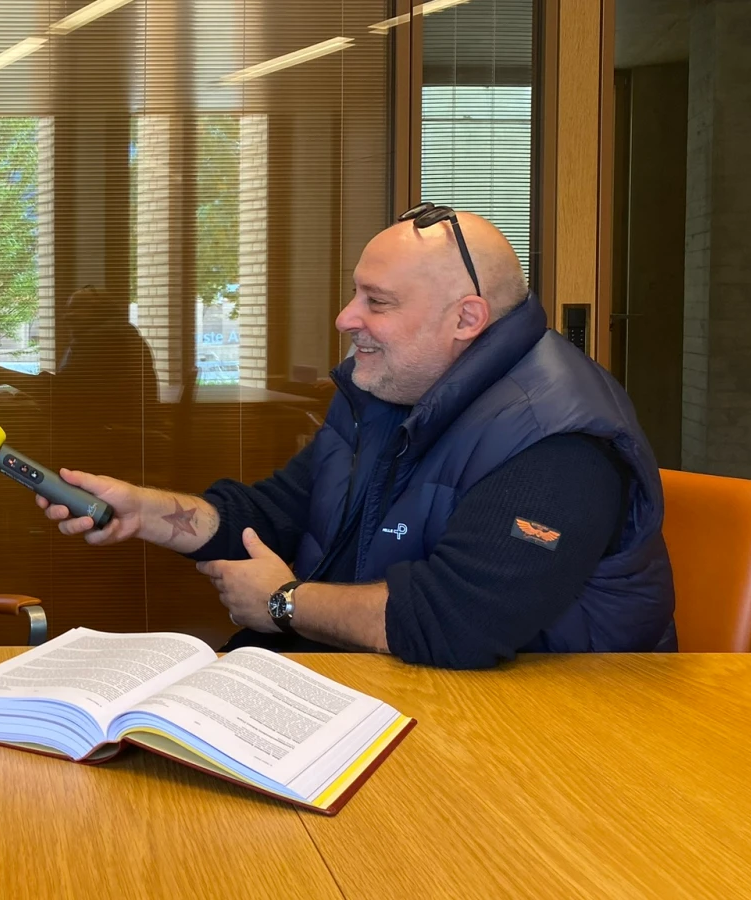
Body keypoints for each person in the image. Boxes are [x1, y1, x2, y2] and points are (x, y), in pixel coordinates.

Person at [40, 205, 676, 669]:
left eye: (378, 301)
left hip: (542, 737)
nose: (346, 319)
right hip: (386, 689)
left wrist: (284, 604)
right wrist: (143, 512)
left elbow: (455, 624)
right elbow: (276, 516)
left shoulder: (560, 438)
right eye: (354, 293)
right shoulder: (386, 390)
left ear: (467, 318)